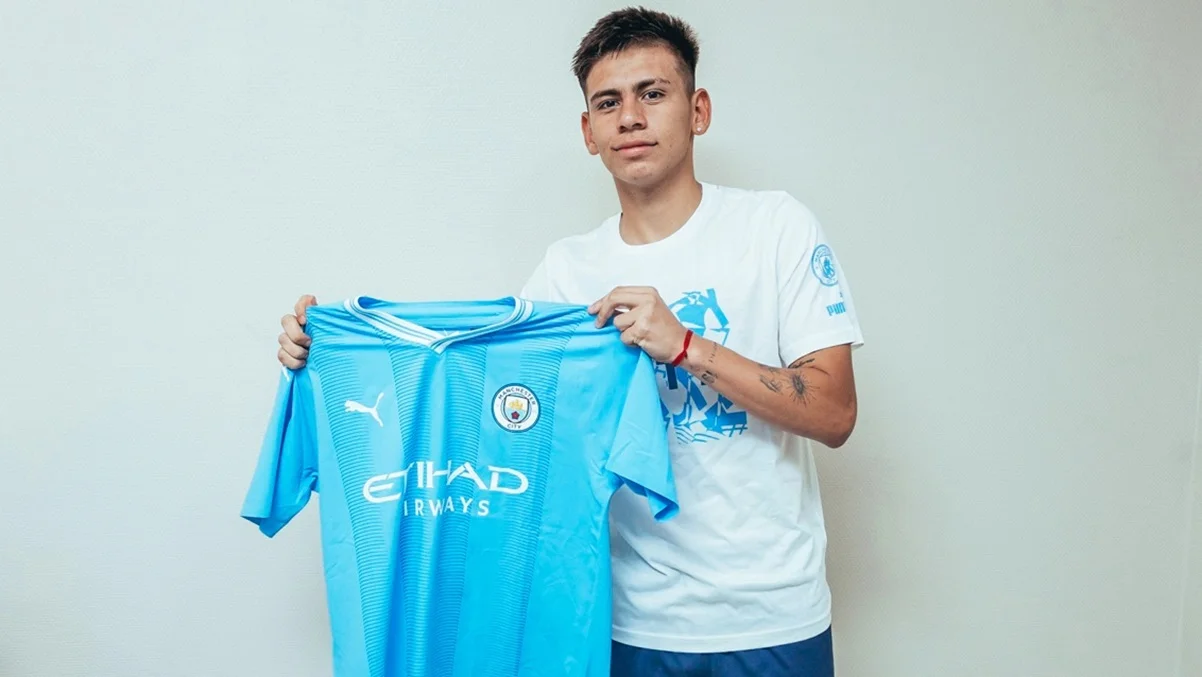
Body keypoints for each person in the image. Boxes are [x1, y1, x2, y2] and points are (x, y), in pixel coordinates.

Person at [276, 7, 862, 676]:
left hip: (772, 616)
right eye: (608, 103)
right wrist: (334, 358)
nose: (630, 118)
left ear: (698, 110)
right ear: (589, 131)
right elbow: (486, 412)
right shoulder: (565, 273)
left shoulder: (774, 228)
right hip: (626, 624)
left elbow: (834, 412)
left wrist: (685, 345)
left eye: (653, 94)